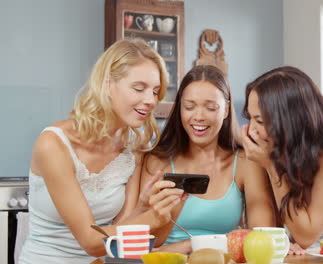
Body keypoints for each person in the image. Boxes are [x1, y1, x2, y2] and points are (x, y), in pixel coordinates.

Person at [19, 39, 186, 264]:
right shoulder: (53, 144)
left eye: (156, 91)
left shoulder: (133, 148)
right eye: (139, 88)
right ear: (108, 84)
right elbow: (90, 241)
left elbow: (120, 228)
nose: (150, 100)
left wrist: (144, 206)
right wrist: (152, 217)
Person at [140, 65, 276, 254]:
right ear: (180, 109)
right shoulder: (157, 161)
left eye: (211, 108)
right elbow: (144, 242)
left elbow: (261, 236)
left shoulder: (246, 162)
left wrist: (191, 245)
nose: (199, 117)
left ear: (226, 109)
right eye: (189, 107)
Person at [241, 66, 323, 252]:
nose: (251, 129)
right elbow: (275, 224)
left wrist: (271, 166)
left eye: (260, 121)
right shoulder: (275, 148)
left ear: (289, 120)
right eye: (250, 118)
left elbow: (306, 235)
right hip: (302, 256)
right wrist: (283, 244)